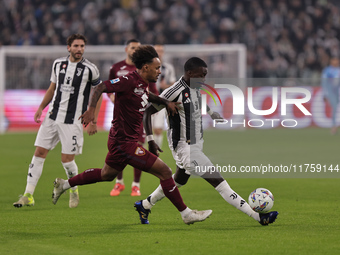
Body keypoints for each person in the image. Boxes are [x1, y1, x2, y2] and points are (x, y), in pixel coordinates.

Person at [52, 45, 212, 225]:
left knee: (107, 174)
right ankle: (186, 214)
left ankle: (64, 185)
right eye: (157, 68)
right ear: (145, 68)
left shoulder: (142, 83)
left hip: (121, 141)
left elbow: (146, 95)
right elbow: (100, 87)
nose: (160, 71)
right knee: (166, 172)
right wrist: (91, 111)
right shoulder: (127, 80)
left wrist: (165, 102)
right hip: (124, 143)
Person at [134, 57, 279, 225]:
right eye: (201, 75)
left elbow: (197, 101)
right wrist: (151, 140)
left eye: (205, 75)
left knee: (179, 180)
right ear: (189, 73)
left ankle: (145, 205)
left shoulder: (195, 86)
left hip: (195, 144)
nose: (204, 79)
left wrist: (211, 113)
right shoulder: (174, 91)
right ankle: (258, 217)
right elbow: (146, 112)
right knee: (220, 183)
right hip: (185, 147)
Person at [13, 34, 103, 208]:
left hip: (72, 121)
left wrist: (93, 120)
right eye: (76, 46)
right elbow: (52, 88)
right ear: (68, 47)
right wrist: (41, 108)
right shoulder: (58, 64)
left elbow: (99, 93)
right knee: (39, 153)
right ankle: (28, 195)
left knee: (67, 161)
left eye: (82, 46)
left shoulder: (90, 69)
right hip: (52, 117)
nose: (79, 49)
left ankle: (73, 190)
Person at [108, 39, 159, 197]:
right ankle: (119, 183)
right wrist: (112, 97)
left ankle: (135, 185)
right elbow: (109, 87)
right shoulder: (116, 68)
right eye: (133, 47)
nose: (135, 50)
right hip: (121, 115)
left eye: (138, 48)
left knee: (138, 146)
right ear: (126, 49)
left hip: (137, 116)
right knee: (120, 148)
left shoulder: (145, 69)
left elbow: (153, 92)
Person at [152, 44, 177, 149]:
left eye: (161, 51)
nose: (159, 53)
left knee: (158, 129)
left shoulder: (168, 68)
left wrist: (165, 86)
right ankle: (143, 157)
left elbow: (174, 84)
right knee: (143, 132)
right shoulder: (146, 66)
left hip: (161, 101)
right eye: (156, 50)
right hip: (146, 100)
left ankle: (155, 155)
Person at [321, 57, 340, 134]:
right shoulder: (327, 71)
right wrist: (325, 93)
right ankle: (333, 126)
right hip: (332, 92)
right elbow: (324, 82)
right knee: (334, 108)